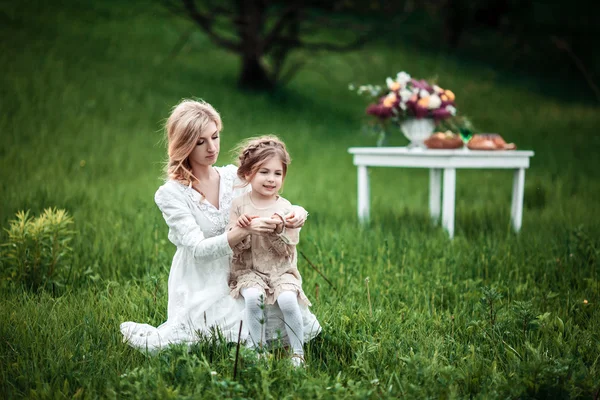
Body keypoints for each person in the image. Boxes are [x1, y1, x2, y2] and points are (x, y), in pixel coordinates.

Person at [120, 99, 320, 353]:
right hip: (201, 277)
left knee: (284, 306)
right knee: (227, 327)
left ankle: (292, 353)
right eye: (200, 141)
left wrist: (295, 213)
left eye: (215, 136)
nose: (212, 147)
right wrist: (242, 231)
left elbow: (272, 201)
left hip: (246, 266)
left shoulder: (233, 177)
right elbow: (198, 250)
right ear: (184, 144)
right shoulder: (171, 194)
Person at [228, 136, 319, 367]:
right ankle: (259, 350)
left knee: (288, 300)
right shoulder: (240, 204)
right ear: (248, 173)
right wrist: (245, 227)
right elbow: (233, 241)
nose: (271, 179)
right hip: (249, 270)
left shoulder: (285, 208)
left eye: (277, 173)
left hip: (280, 270)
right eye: (264, 172)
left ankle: (298, 352)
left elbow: (288, 247)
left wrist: (279, 228)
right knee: (253, 298)